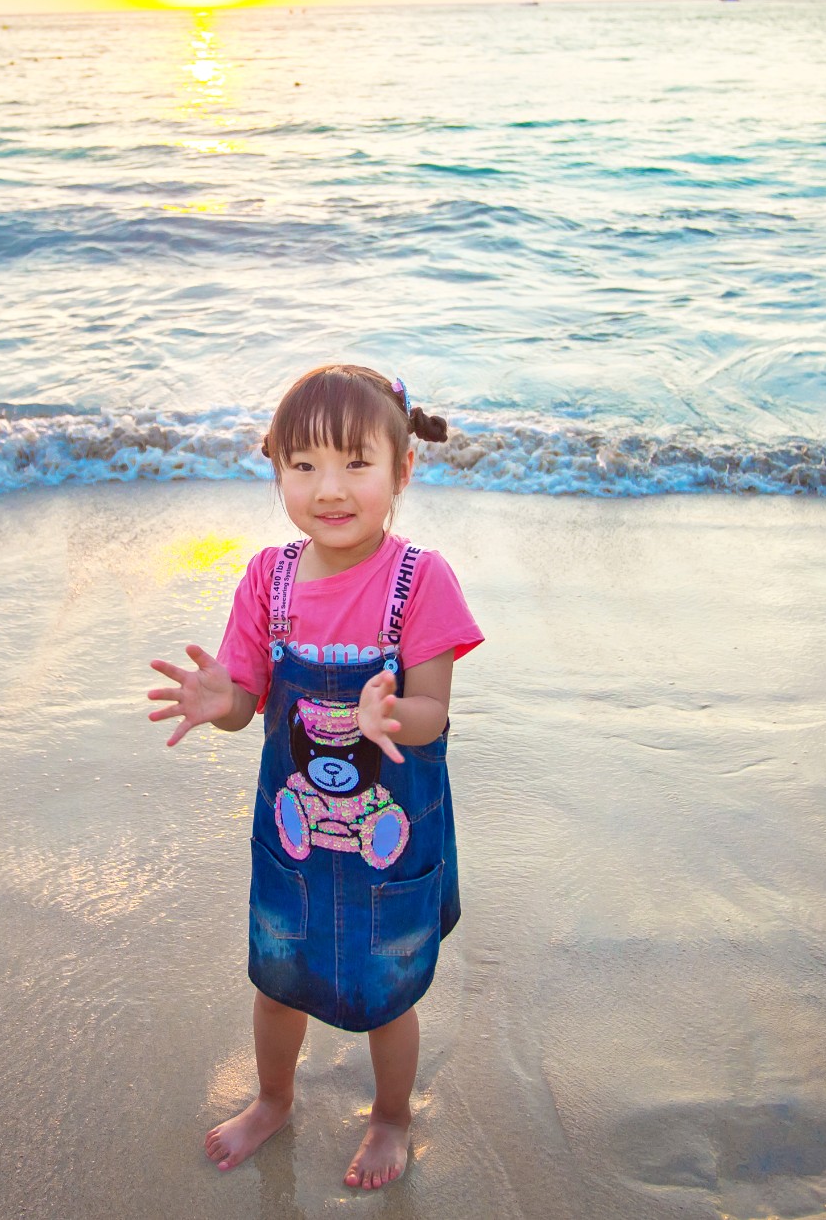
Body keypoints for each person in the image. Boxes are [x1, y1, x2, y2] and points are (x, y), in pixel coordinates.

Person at [146, 365, 481, 1191]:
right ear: (277, 471)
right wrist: (222, 698)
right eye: (304, 465)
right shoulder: (270, 578)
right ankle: (273, 1098)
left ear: (402, 469)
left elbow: (434, 709)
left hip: (383, 835)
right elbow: (244, 699)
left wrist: (390, 717)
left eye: (356, 464)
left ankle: (393, 1114)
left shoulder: (420, 581)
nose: (330, 488)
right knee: (278, 976)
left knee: (387, 990)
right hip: (295, 838)